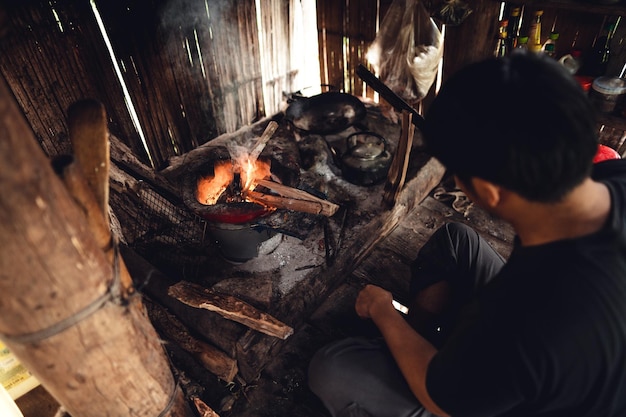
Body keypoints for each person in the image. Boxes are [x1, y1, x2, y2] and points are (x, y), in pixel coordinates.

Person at [308, 50, 626, 417]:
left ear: (490, 191)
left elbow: (442, 402)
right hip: (577, 353)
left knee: (331, 367)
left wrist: (383, 312)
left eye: (456, 171)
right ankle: (431, 344)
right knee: (455, 240)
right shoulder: (613, 179)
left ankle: (445, 364)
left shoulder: (527, 308)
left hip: (521, 400)